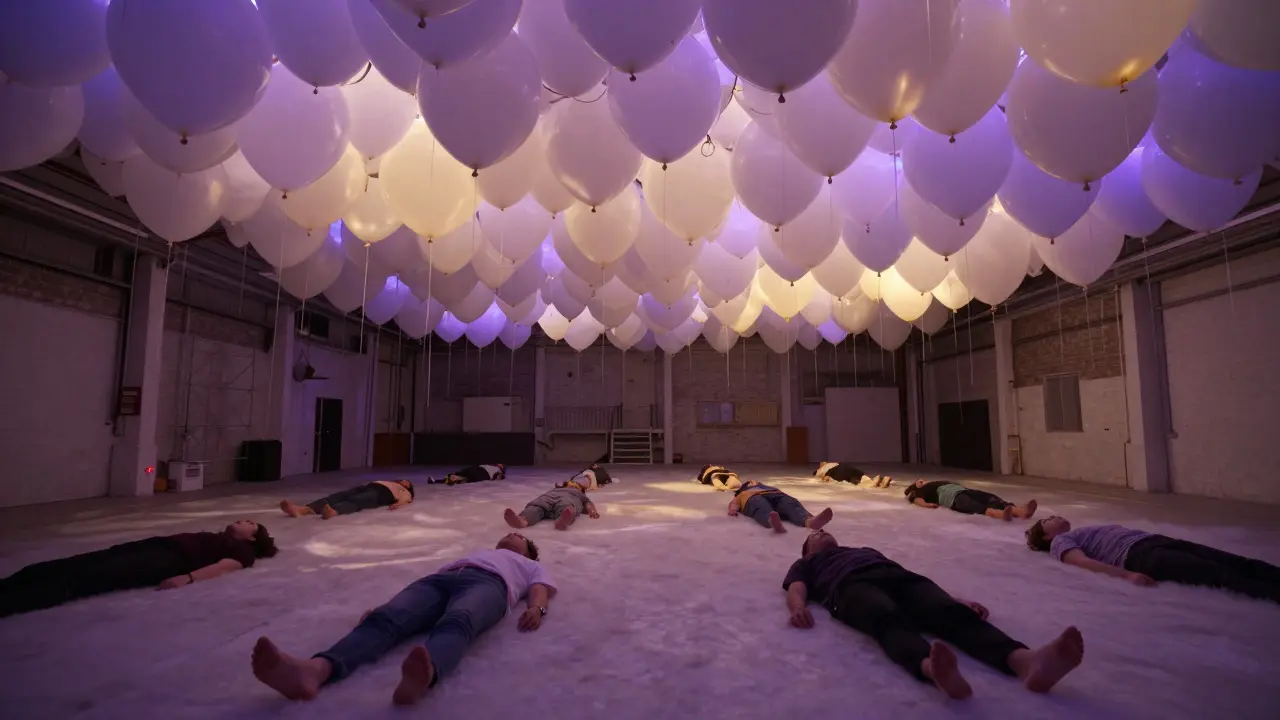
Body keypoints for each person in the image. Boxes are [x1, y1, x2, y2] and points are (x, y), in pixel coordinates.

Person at [252, 533, 554, 707]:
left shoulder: (528, 565)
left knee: (459, 620)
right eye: (509, 533)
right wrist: (386, 605)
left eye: (519, 537)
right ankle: (314, 670)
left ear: (529, 551)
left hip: (490, 585)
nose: (511, 535)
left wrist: (537, 609)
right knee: (385, 618)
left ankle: (424, 675)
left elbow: (539, 588)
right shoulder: (480, 551)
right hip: (441, 579)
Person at [783, 529, 1084, 700]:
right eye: (815, 534)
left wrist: (955, 598)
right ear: (807, 551)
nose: (822, 531)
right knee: (885, 617)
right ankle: (932, 668)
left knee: (948, 612)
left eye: (824, 530)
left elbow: (916, 579)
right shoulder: (809, 564)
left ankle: (1026, 662)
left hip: (897, 576)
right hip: (848, 586)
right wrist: (798, 608)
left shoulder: (864, 548)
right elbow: (796, 587)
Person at [0, 520, 278, 617]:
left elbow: (224, 567)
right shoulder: (221, 538)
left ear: (253, 537)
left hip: (165, 561)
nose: (240, 521)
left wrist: (188, 578)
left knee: (85, 578)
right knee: (74, 564)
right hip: (153, 547)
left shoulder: (244, 551)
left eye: (248, 522)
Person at [1026, 516, 1280, 603]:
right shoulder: (1061, 543)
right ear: (1047, 536)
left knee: (1237, 562)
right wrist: (1127, 575)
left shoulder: (1074, 532)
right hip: (1142, 555)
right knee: (1221, 574)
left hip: (1153, 541)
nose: (1056, 517)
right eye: (1050, 519)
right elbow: (1082, 562)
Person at [728, 479, 833, 534]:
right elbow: (733, 503)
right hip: (753, 497)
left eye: (755, 482)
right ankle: (771, 520)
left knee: (789, 503)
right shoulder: (742, 494)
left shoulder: (770, 488)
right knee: (760, 506)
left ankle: (809, 521)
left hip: (776, 495)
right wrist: (733, 509)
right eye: (750, 483)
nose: (753, 482)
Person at [904, 480, 1037, 521]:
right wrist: (927, 505)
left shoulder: (939, 483)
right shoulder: (922, 490)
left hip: (965, 491)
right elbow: (917, 500)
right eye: (920, 481)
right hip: (955, 499)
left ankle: (1020, 511)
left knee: (990, 497)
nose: (923, 480)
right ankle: (1002, 515)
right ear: (917, 486)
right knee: (977, 507)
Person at [279, 479, 414, 519]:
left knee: (356, 500)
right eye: (403, 480)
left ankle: (333, 511)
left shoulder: (404, 491)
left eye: (407, 483)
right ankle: (303, 509)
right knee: (340, 495)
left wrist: (397, 504)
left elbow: (406, 499)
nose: (404, 482)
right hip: (369, 487)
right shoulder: (389, 481)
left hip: (380, 495)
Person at [504, 485, 601, 531]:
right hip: (546, 499)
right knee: (536, 507)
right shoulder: (554, 490)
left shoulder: (578, 493)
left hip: (567, 499)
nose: (572, 484)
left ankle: (562, 521)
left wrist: (592, 511)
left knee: (566, 506)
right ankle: (522, 521)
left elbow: (588, 503)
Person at [815, 461, 892, 488]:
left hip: (839, 471)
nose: (822, 462)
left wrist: (824, 478)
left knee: (857, 481)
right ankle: (881, 480)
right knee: (860, 476)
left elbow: (825, 477)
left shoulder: (823, 469)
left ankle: (873, 483)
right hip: (845, 467)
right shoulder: (832, 464)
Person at [432, 464, 505, 486]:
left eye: (501, 465)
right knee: (460, 477)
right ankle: (436, 481)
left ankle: (437, 481)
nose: (499, 464)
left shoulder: (498, 470)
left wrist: (496, 476)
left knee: (460, 476)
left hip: (482, 473)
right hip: (479, 471)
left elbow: (500, 476)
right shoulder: (492, 466)